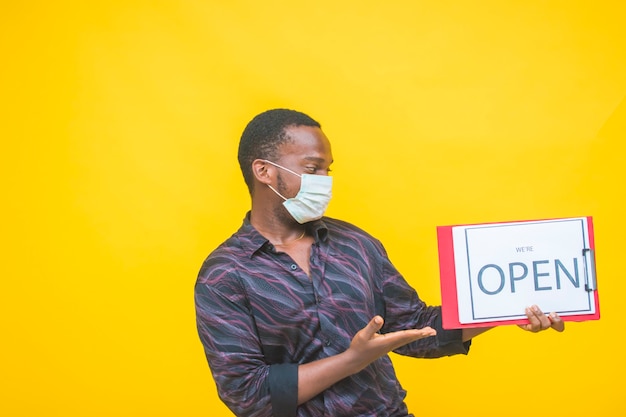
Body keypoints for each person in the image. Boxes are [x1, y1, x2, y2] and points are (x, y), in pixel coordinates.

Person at [194, 108, 564, 417]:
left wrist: (506, 306)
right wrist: (353, 360)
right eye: (313, 169)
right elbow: (248, 394)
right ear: (264, 171)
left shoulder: (356, 244)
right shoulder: (224, 275)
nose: (326, 182)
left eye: (329, 170)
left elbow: (416, 329)